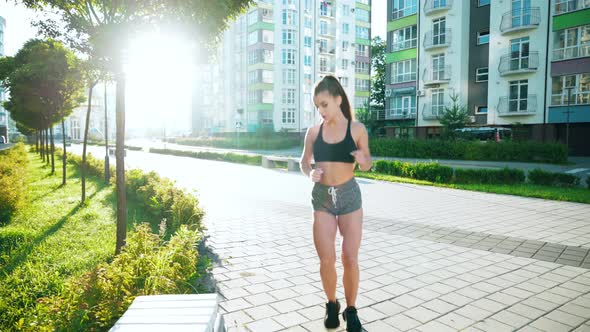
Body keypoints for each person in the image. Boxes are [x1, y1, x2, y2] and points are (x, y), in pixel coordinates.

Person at [299, 75, 372, 331]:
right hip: (322, 198)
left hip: (349, 196)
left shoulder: (357, 129)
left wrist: (363, 158)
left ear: (338, 99)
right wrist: (310, 173)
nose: (321, 110)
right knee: (327, 259)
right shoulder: (314, 132)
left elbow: (367, 164)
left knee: (350, 257)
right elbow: (304, 162)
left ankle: (351, 311)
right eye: (317, 105)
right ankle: (332, 304)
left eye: (324, 104)